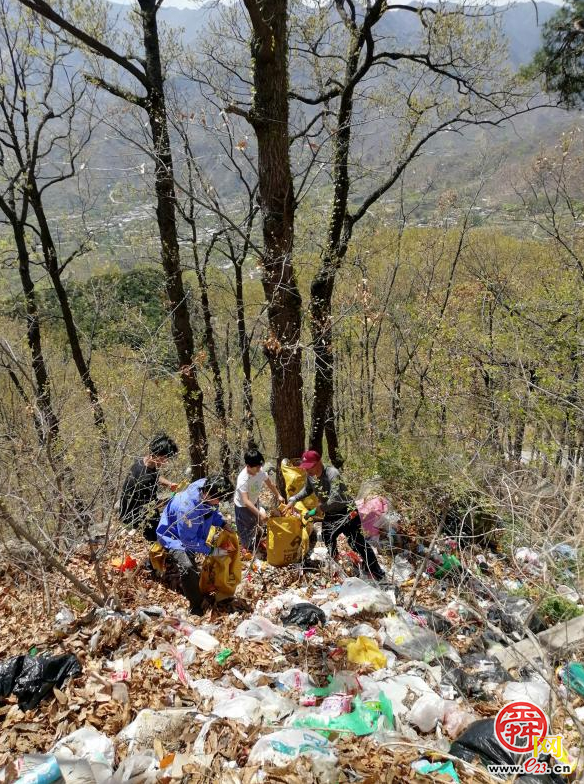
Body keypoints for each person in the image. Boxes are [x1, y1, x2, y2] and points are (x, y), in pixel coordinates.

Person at [284, 450, 385, 581]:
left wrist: (316, 510)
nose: (307, 470)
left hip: (347, 512)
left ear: (318, 463)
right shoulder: (310, 476)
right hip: (331, 514)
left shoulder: (332, 474)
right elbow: (307, 490)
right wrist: (294, 499)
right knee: (328, 537)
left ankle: (377, 573)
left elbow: (335, 498)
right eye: (306, 467)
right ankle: (338, 565)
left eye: (310, 467)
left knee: (357, 543)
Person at [156, 475, 235, 615]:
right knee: (188, 567)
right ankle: (196, 604)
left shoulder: (207, 485)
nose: (220, 502)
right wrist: (213, 551)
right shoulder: (187, 510)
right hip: (173, 535)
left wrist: (222, 523)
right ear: (208, 494)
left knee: (193, 558)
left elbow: (212, 511)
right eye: (219, 499)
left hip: (190, 530)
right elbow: (189, 541)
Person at [119, 434, 179, 541]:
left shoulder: (143, 461)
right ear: (156, 454)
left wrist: (169, 484)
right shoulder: (144, 479)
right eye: (164, 458)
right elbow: (152, 506)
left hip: (135, 512)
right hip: (137, 521)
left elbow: (154, 475)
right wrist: (172, 498)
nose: (166, 462)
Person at [234, 448, 284, 551]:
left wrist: (278, 495)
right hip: (242, 507)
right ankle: (248, 548)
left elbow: (270, 484)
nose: (259, 469)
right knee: (246, 529)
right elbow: (246, 501)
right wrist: (260, 513)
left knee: (255, 523)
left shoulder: (259, 471)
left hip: (254, 502)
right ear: (248, 466)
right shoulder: (242, 479)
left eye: (260, 466)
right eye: (257, 467)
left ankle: (257, 539)